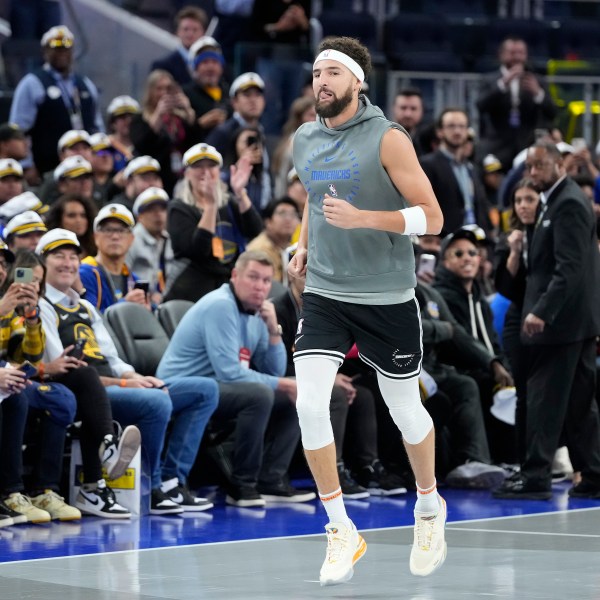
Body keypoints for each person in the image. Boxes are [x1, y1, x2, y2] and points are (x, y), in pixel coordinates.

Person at [288, 36, 445, 586]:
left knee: (405, 412)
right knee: (310, 405)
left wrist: (365, 220)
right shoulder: (304, 139)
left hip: (387, 298)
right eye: (316, 73)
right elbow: (313, 196)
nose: (322, 82)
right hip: (327, 293)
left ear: (358, 82)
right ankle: (340, 528)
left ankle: (428, 507)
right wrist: (304, 242)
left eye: (333, 72)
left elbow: (432, 218)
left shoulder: (389, 138)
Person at [37, 228, 218, 514]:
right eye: (58, 256)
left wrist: (135, 377)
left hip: (114, 382)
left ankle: (173, 481)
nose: (68, 263)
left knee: (203, 390)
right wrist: (124, 384)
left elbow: (112, 357)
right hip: (86, 390)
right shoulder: (42, 306)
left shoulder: (85, 306)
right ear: (42, 264)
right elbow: (65, 370)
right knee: (156, 401)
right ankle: (152, 487)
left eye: (73, 257)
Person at [157, 250, 315, 507]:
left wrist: (274, 330)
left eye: (266, 280)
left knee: (291, 396)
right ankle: (242, 484)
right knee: (262, 394)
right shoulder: (221, 305)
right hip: (181, 387)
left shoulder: (256, 312)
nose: (260, 287)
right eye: (253, 277)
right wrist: (283, 383)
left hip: (218, 387)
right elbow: (229, 372)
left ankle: (271, 480)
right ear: (235, 276)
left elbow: (274, 371)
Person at [494, 142, 600, 500]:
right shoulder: (555, 200)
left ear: (559, 165)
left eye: (539, 166)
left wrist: (543, 310)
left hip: (561, 324)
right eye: (530, 167)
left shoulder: (567, 202)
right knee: (578, 403)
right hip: (575, 323)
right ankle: (595, 473)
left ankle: (536, 475)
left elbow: (569, 268)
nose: (532, 173)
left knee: (544, 398)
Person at [164, 143, 263, 303]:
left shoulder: (229, 202)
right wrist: (210, 206)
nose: (205, 171)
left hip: (227, 289)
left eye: (211, 166)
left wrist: (240, 192)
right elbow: (198, 251)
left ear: (219, 171)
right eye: (198, 166)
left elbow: (254, 230)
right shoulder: (179, 207)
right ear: (187, 173)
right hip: (191, 292)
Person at [8, 26, 104, 181]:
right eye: (57, 49)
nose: (62, 54)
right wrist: (26, 165)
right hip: (46, 168)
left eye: (66, 49)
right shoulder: (32, 83)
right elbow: (19, 130)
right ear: (45, 52)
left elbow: (97, 127)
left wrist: (99, 157)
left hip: (85, 170)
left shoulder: (85, 84)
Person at [477, 37, 557, 171]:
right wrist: (503, 84)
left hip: (528, 146)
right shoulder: (490, 80)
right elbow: (481, 106)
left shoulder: (537, 81)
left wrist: (538, 93)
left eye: (521, 53)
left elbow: (552, 112)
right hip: (496, 147)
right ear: (501, 55)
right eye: (512, 53)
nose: (517, 57)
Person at [419, 108, 491, 236]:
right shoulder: (427, 165)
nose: (457, 131)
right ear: (440, 132)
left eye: (462, 126)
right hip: (443, 240)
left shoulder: (471, 168)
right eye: (451, 126)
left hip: (475, 239)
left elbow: (480, 208)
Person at [205, 72, 272, 207]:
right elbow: (208, 170)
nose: (253, 100)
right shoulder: (223, 132)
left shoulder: (261, 130)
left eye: (258, 95)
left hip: (259, 207)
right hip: (231, 206)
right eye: (247, 95)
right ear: (234, 102)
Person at [129, 70, 197, 195]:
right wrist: (158, 115)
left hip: (182, 176)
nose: (164, 93)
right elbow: (142, 145)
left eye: (168, 88)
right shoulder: (140, 118)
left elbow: (196, 141)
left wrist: (188, 110)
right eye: (159, 89)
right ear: (150, 92)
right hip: (156, 177)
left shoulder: (180, 118)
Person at [79, 204, 146, 313]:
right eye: (108, 230)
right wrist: (125, 305)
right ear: (96, 237)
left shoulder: (133, 279)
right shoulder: (84, 273)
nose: (115, 236)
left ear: (131, 239)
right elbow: (89, 318)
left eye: (121, 230)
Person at [127, 187, 174, 304]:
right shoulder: (131, 239)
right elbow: (122, 275)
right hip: (137, 301)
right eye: (151, 210)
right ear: (140, 216)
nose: (158, 214)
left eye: (162, 209)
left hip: (164, 301)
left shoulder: (168, 239)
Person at [182, 36, 229, 140]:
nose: (210, 67)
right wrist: (200, 125)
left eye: (215, 62)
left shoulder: (229, 93)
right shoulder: (184, 94)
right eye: (205, 62)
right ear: (194, 68)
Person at [151, 6, 208, 86]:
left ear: (203, 33)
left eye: (195, 30)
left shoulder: (213, 65)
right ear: (177, 32)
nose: (190, 34)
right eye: (185, 29)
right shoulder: (162, 66)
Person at [271, 96, 316, 198]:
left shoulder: (316, 140)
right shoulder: (293, 142)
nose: (315, 119)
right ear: (300, 118)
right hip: (292, 198)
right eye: (311, 115)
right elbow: (282, 179)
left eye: (317, 115)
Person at [247, 197, 299, 283]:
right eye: (282, 213)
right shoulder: (259, 249)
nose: (288, 219)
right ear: (268, 222)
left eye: (293, 214)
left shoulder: (291, 249)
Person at [106, 95, 140, 174]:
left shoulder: (144, 145)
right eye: (122, 117)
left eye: (132, 117)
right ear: (112, 123)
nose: (128, 121)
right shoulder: (105, 146)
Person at [390, 87, 429, 157]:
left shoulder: (429, 143)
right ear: (394, 109)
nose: (408, 114)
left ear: (422, 110)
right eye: (403, 108)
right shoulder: (381, 138)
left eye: (413, 109)